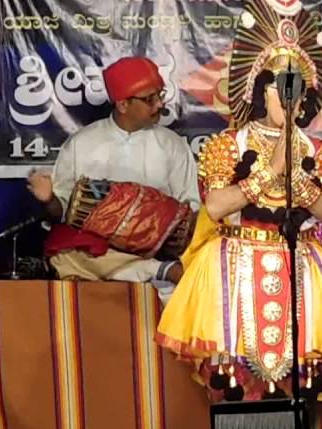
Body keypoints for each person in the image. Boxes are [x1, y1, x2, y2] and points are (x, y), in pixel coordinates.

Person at [156, 0, 322, 403]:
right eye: (276, 84)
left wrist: (295, 168)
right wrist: (270, 169)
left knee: (296, 391)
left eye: (295, 85)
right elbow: (215, 206)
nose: (286, 96)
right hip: (234, 267)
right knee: (235, 387)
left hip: (299, 266)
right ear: (257, 88)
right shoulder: (225, 146)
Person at [27, 56, 199, 291]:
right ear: (122, 104)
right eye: (150, 99)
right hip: (96, 255)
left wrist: (152, 226)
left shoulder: (172, 146)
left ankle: (149, 268)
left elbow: (192, 208)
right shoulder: (82, 143)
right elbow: (61, 215)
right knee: (66, 253)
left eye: (160, 95)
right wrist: (49, 200)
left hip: (155, 251)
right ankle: (151, 270)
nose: (159, 104)